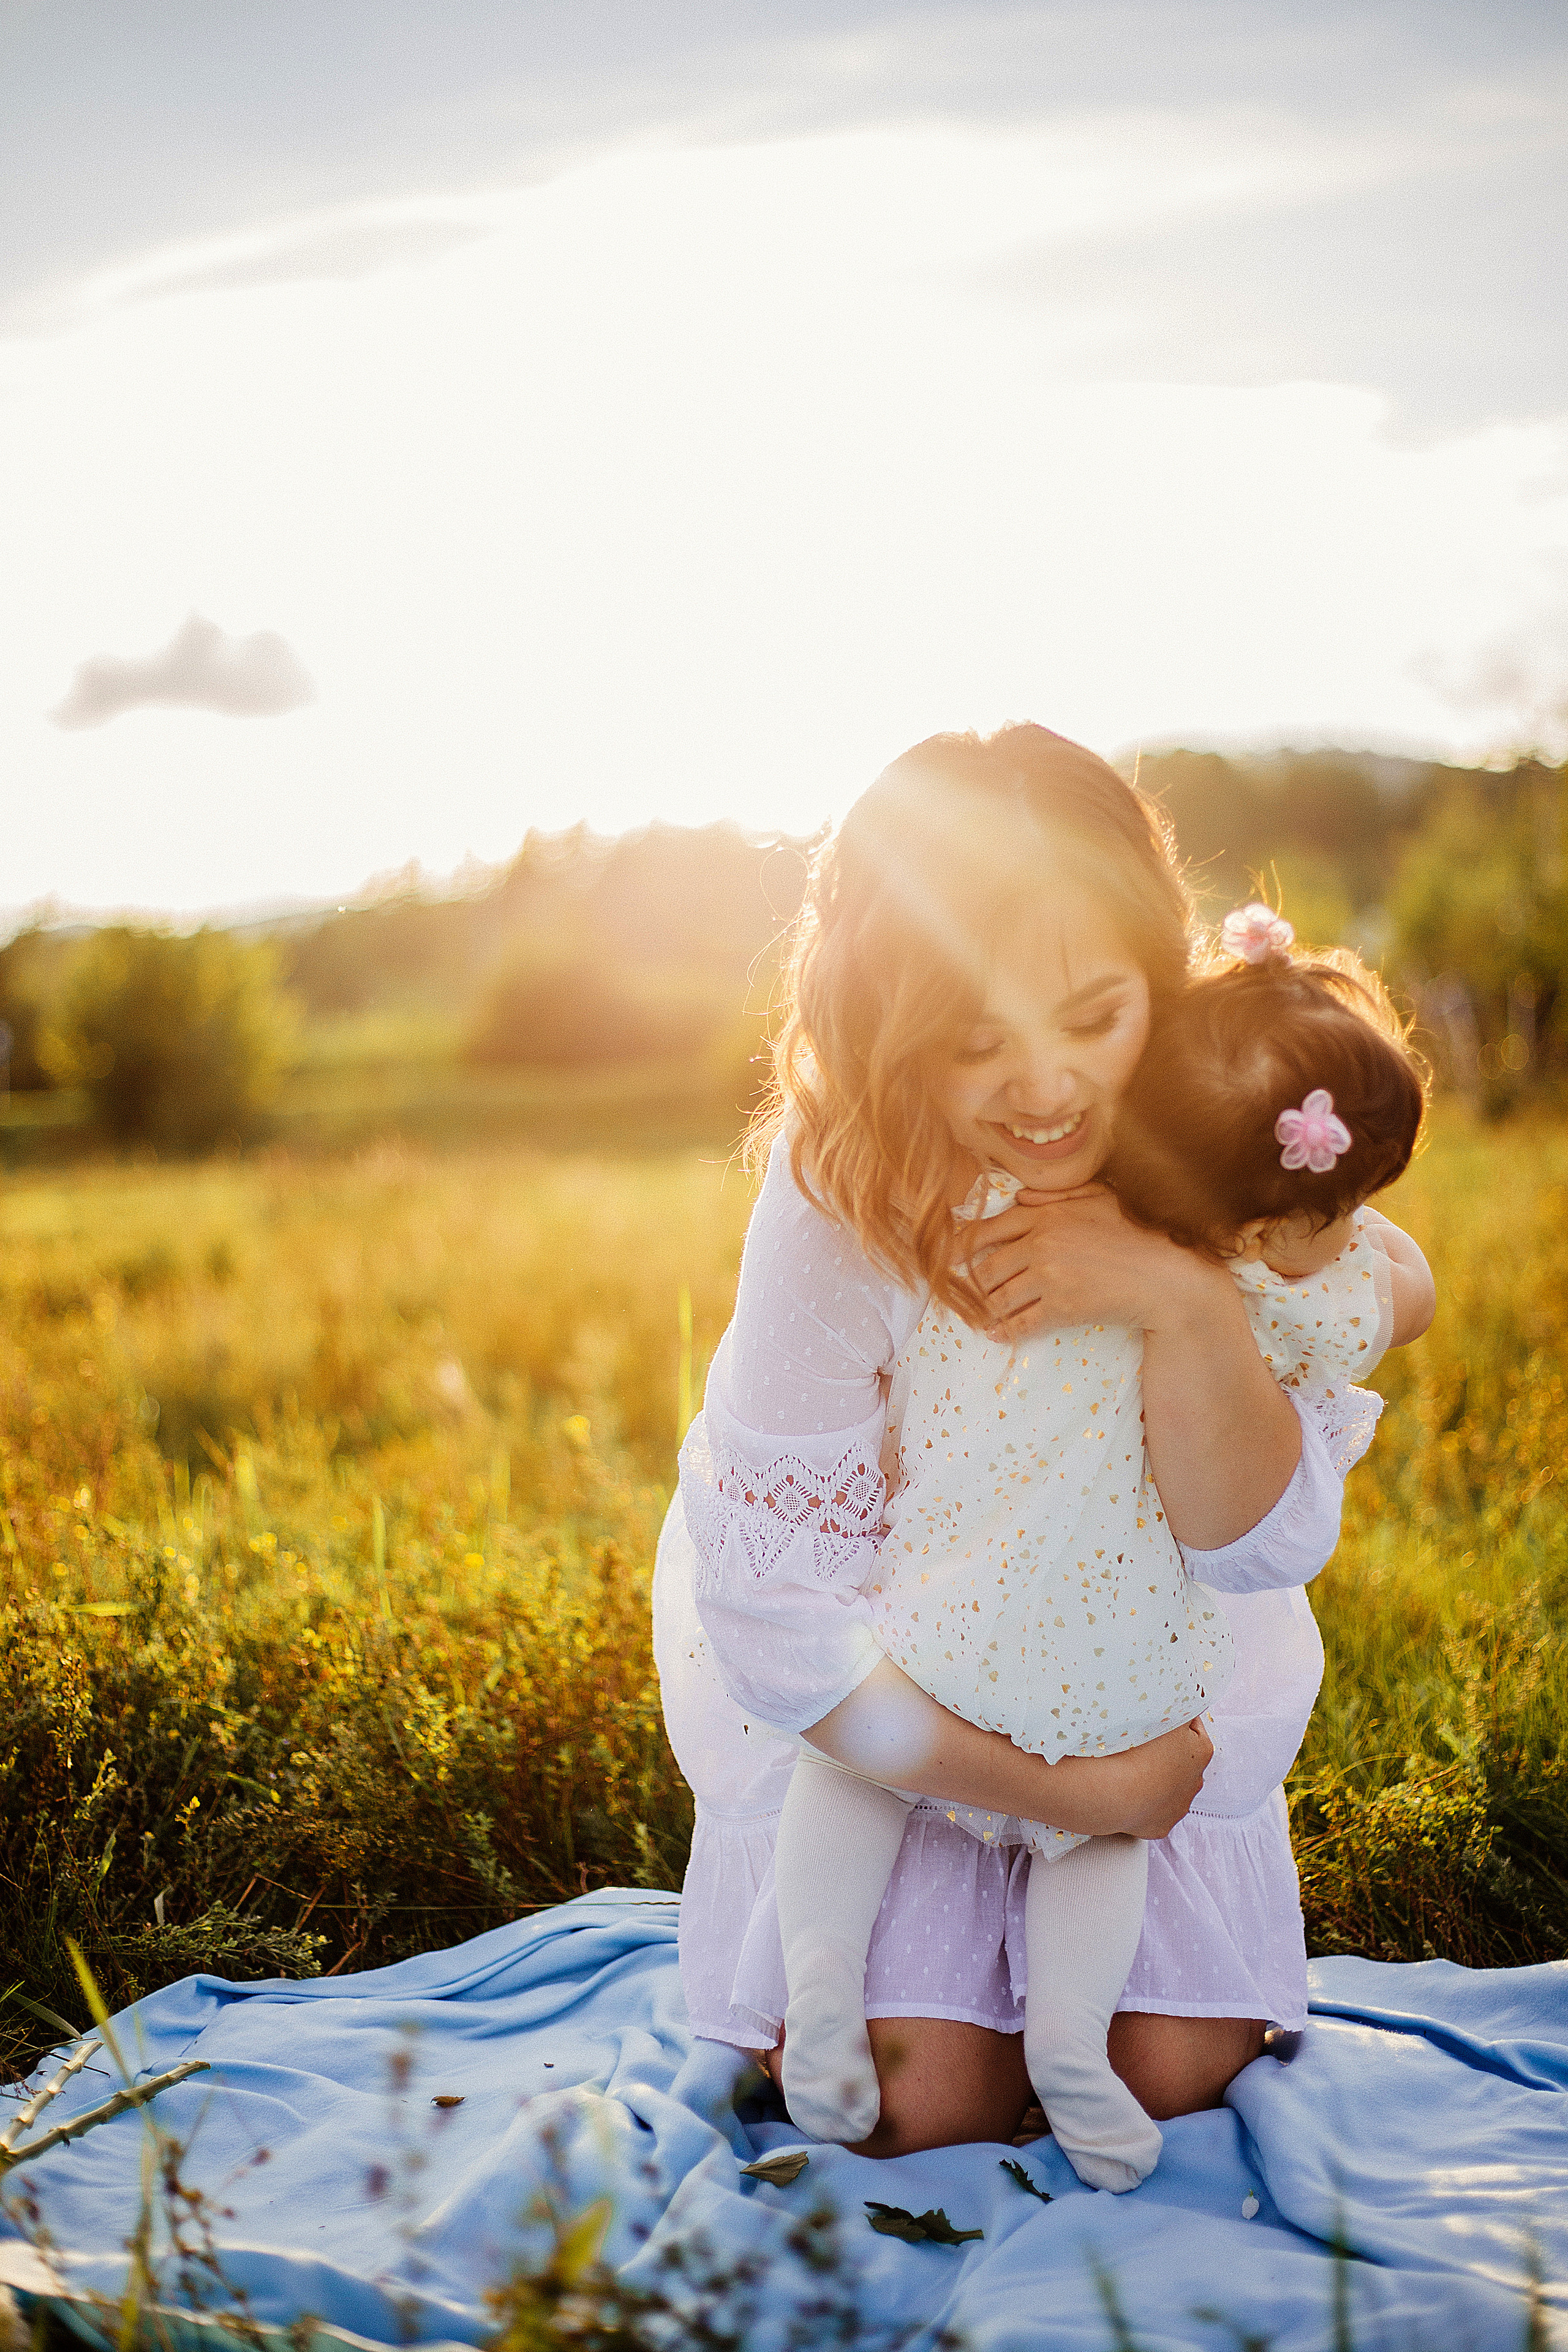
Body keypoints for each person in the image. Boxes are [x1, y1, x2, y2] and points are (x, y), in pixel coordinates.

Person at [650, 726, 1430, 2157]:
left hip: (1127, 1653)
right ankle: (857, 1964)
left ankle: (1057, 1983)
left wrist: (1181, 1303)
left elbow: (1257, 1538)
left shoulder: (1201, 1124)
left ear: (1156, 972)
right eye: (974, 1039)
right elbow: (777, 1619)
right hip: (905, 1675)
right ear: (889, 1030)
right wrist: (1072, 1792)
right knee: (915, 2107)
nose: (1047, 1086)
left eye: (1091, 1014)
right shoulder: (845, 1192)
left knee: (1162, 2075)